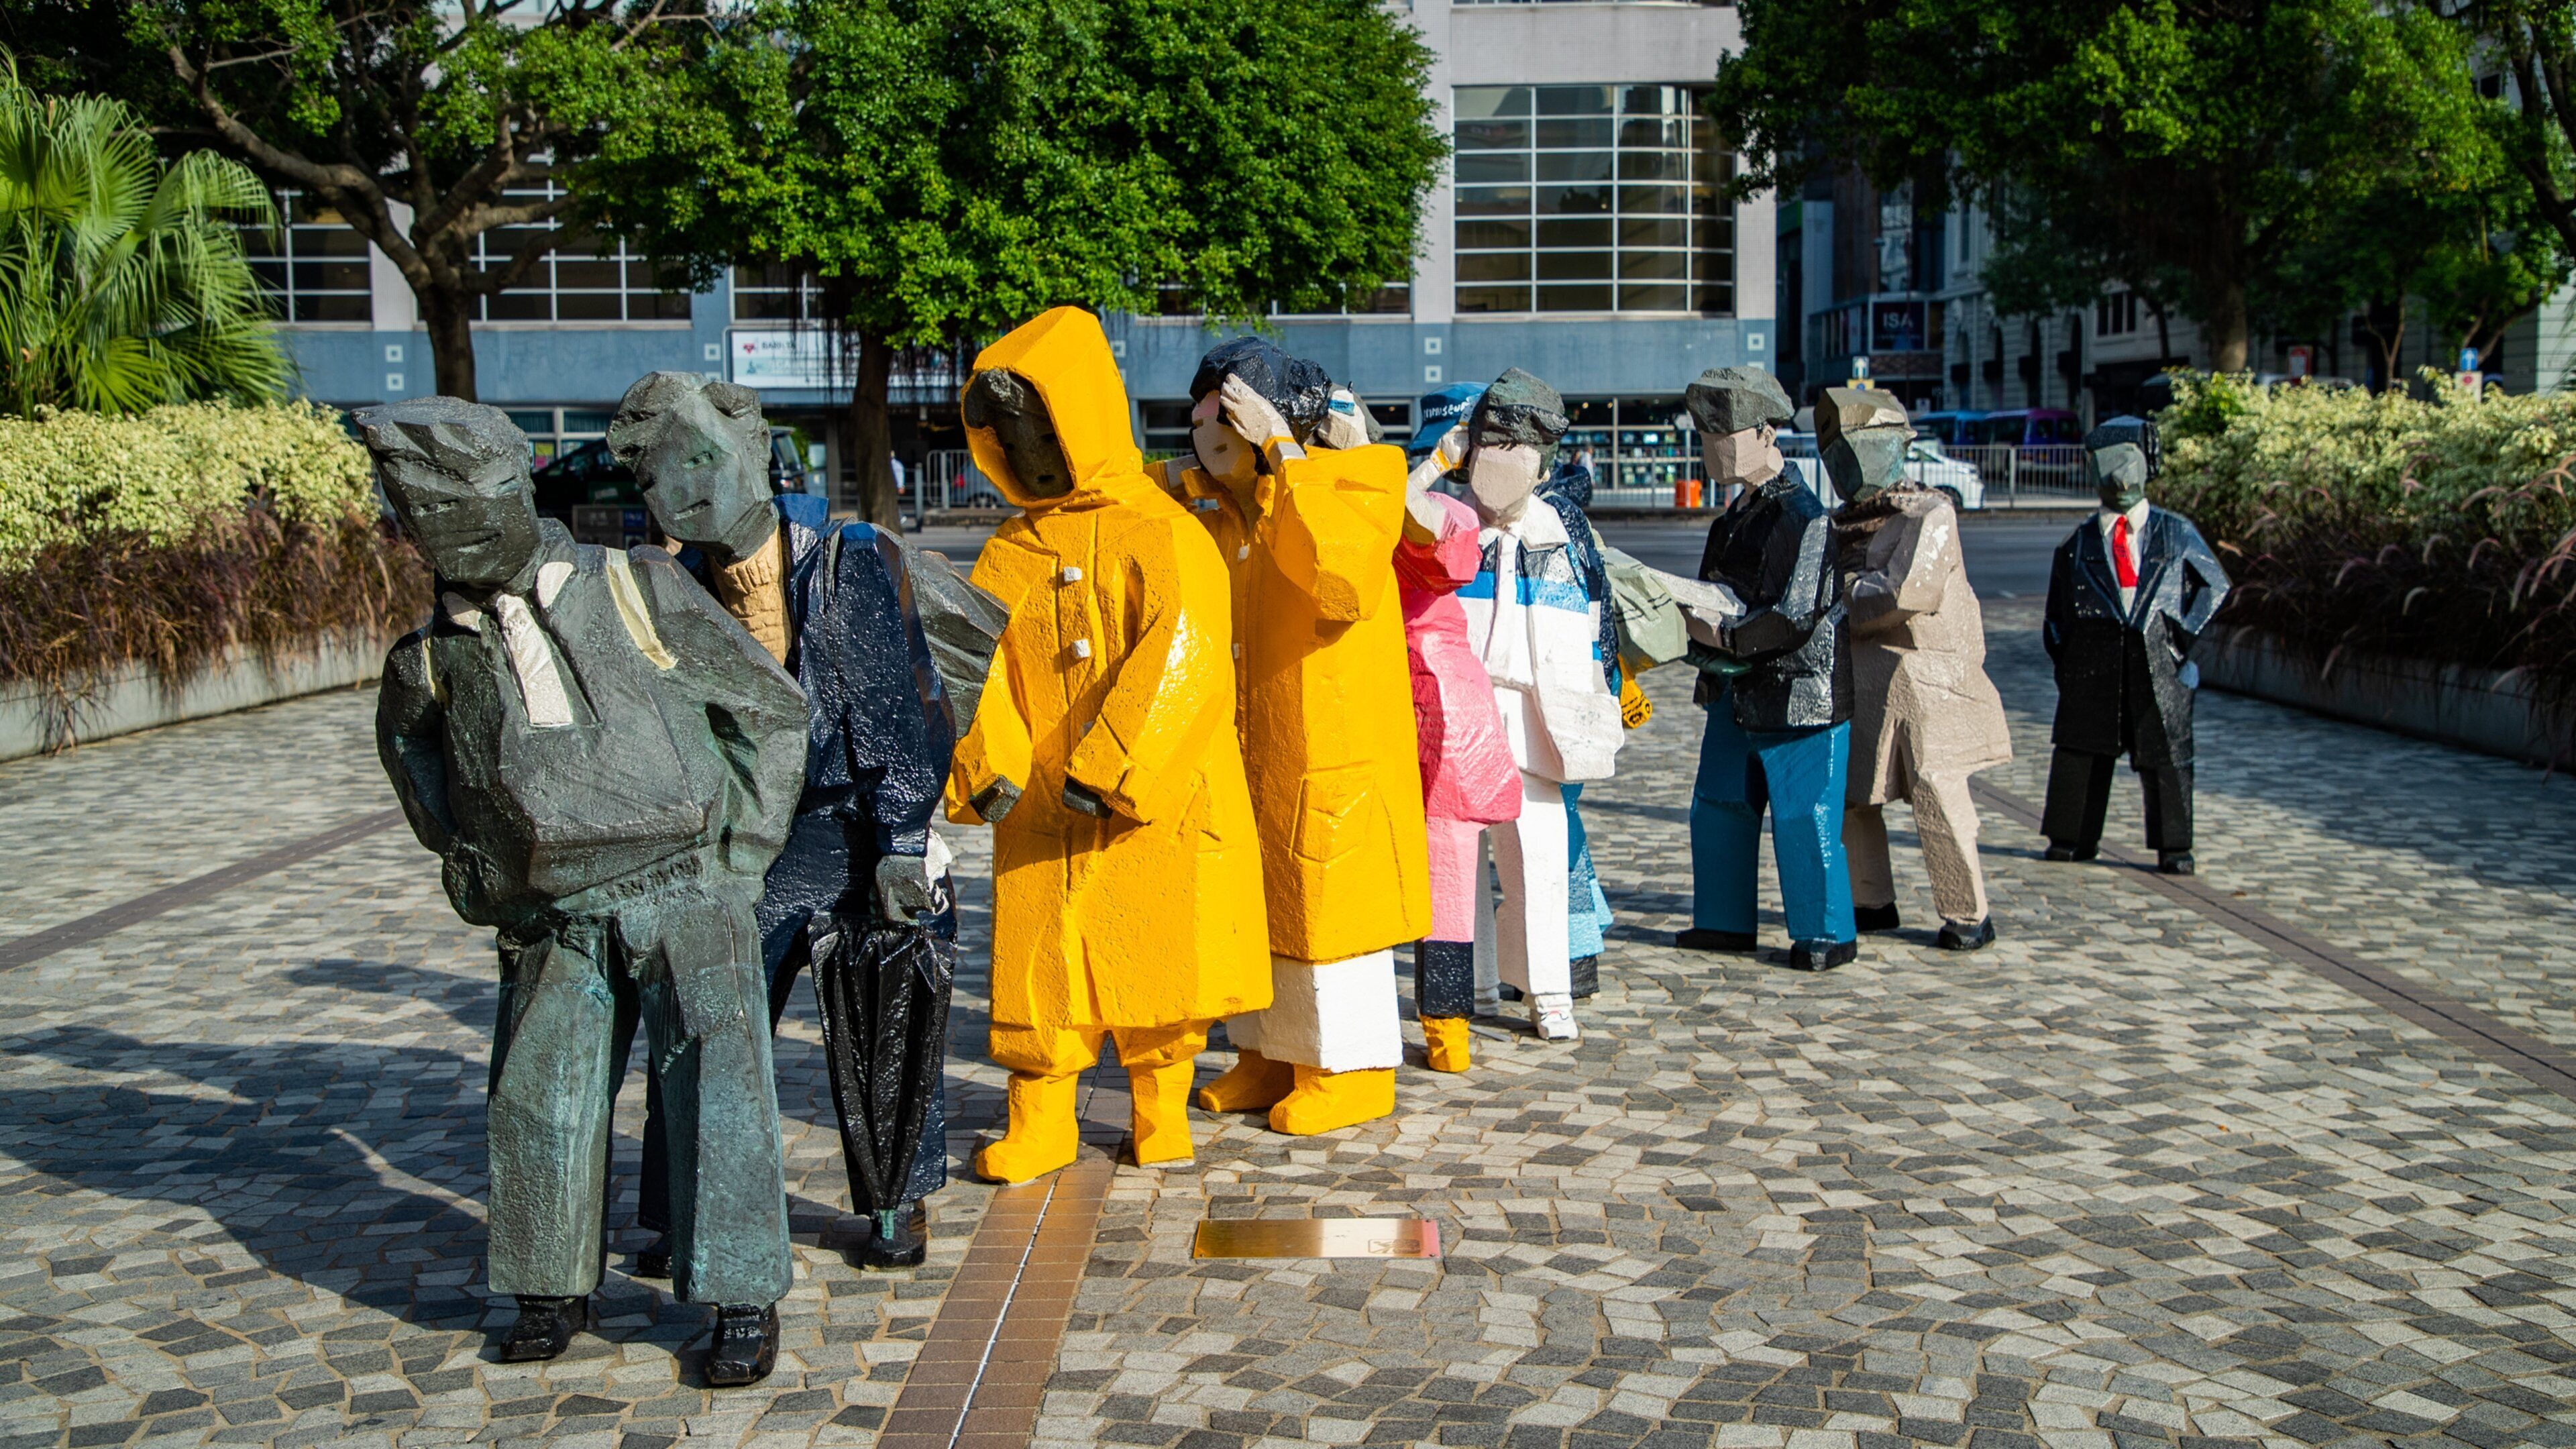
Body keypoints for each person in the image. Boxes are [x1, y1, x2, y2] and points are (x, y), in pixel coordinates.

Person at [365, 397, 804, 1385]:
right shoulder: (432, 653)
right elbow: (412, 754)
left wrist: (745, 851)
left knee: (719, 1088)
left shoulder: (637, 587)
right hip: (550, 911)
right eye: (426, 521)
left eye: (469, 515)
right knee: (539, 1094)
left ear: (516, 493)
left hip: (686, 883)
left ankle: (740, 1292)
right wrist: (470, 855)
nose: (452, 539)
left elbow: (769, 711)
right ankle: (545, 1285)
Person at [607, 372, 958, 1271]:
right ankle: (690, 1203)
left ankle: (897, 1196)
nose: (685, 488)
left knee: (888, 1005)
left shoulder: (848, 559)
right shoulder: (665, 591)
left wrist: (902, 840)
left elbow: (900, 707)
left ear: (755, 449)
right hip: (741, 842)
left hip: (856, 829)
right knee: (699, 1013)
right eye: (655, 477)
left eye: (702, 458)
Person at [944, 307, 1271, 1181]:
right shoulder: (1007, 553)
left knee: (1155, 960)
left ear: (1083, 416)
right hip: (1039, 813)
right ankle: (1040, 1121)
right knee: (1037, 971)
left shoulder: (1163, 532)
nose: (1027, 450)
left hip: (1150, 807)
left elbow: (1184, 660)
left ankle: (1159, 1115)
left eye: (1039, 427)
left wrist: (1116, 765)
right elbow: (974, 663)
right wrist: (989, 764)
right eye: (1008, 436)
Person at [1155, 337, 1431, 1136]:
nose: (1208, 422)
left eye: (1227, 407)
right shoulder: (1222, 505)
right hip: (1255, 744)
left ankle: (1352, 1069)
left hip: (1334, 753)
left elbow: (1339, 582)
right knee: (1261, 904)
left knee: (1330, 911)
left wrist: (1281, 448)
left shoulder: (1360, 479)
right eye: (1203, 408)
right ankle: (1268, 1053)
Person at [1450, 369, 1625, 1038]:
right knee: (1458, 857)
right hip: (1460, 706)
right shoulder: (1444, 519)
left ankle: (1548, 988)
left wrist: (1596, 701)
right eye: (1490, 443)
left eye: (1519, 449)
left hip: (1537, 711)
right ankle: (1469, 983)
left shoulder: (1562, 532)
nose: (1502, 462)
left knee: (1541, 854)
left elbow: (1598, 622)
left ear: (1543, 463)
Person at [1678, 367, 1858, 972]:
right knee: (1719, 806)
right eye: (1706, 438)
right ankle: (1723, 919)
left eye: (1721, 438)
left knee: (1804, 816)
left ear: (1764, 434)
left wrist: (1724, 635)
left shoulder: (1806, 517)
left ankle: (1825, 931)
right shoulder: (1730, 521)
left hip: (1799, 698)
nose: (1711, 452)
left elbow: (1795, 615)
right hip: (1734, 691)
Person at [1821, 386, 2010, 951]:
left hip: (1931, 681)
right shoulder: (1837, 525)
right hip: (1861, 679)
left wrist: (1840, 592)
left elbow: (1902, 593)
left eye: (1856, 447)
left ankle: (1967, 913)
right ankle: (1870, 898)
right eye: (1835, 454)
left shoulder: (1929, 514)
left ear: (1895, 445)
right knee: (1855, 797)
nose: (1845, 465)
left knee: (1938, 795)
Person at [2041, 416, 2232, 874]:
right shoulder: (2078, 543)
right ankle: (2072, 836)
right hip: (2093, 669)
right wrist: (2069, 663)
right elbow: (2055, 617)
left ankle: (2174, 845)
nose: (2120, 485)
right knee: (2081, 752)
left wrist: (2178, 637)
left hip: (2158, 664)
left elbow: (2215, 586)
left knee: (2167, 755)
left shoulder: (2175, 532)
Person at [1393, 400, 1519, 1073]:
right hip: (1390, 698)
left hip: (1444, 706)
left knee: (1448, 876)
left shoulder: (1451, 515)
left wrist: (1428, 471)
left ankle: (1448, 1027)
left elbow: (1431, 541)